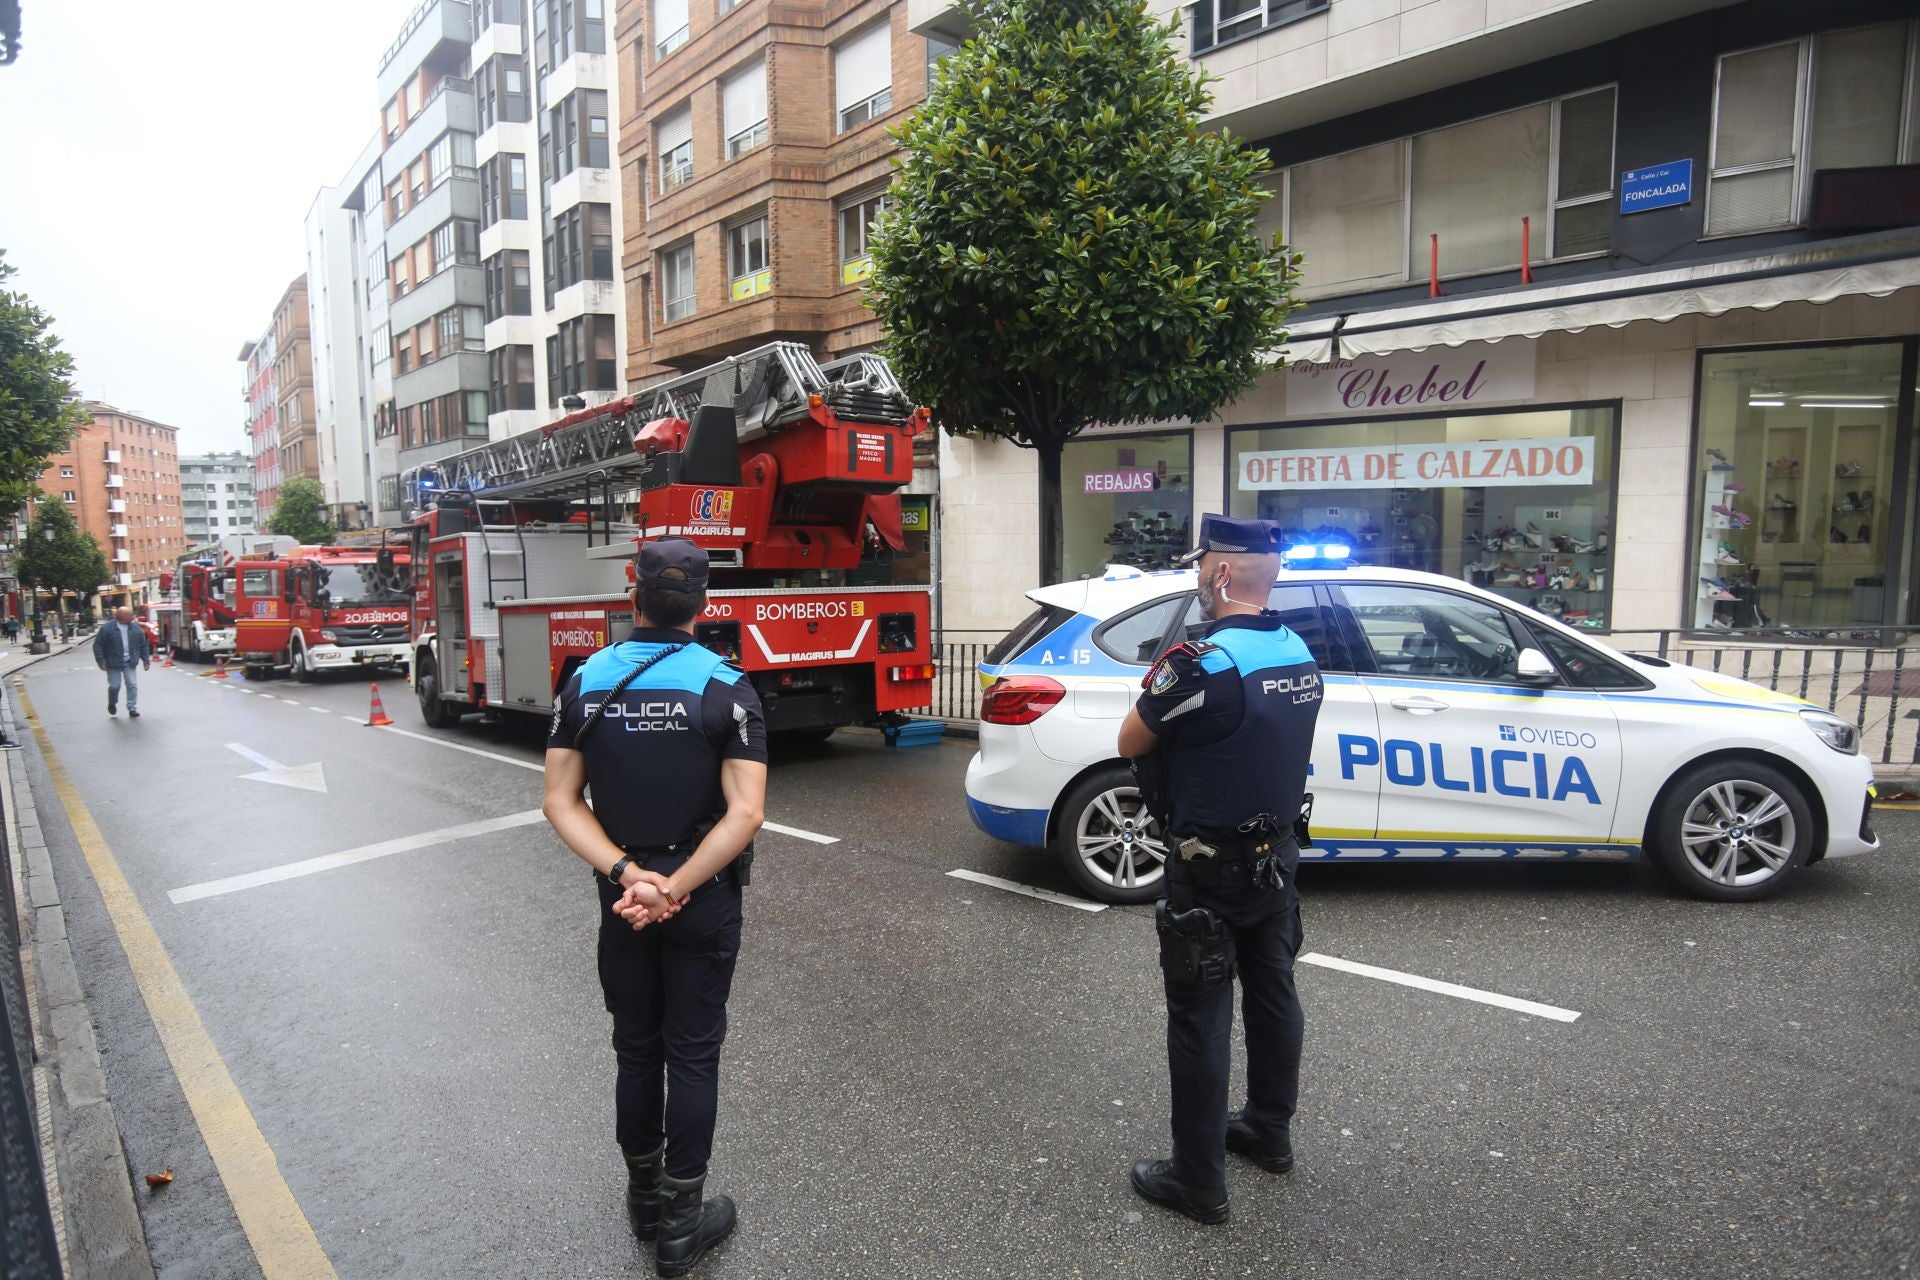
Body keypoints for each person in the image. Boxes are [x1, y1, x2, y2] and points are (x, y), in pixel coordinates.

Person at [542, 538, 767, 1278]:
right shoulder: (726, 686)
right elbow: (745, 814)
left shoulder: (586, 680)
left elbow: (559, 801)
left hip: (622, 898)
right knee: (692, 1054)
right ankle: (679, 1226)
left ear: (632, 596)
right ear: (704, 606)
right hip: (697, 898)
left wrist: (627, 874)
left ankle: (643, 1201)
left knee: (636, 1048)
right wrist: (674, 886)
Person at [1116, 514, 1324, 1224]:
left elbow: (1131, 735)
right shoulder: (1297, 649)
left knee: (1199, 1018)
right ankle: (1269, 1130)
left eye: (1202, 564)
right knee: (1273, 993)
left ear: (1221, 573)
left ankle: (1198, 1181)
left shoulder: (1205, 662)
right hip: (1277, 860)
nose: (1199, 576)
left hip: (1208, 869)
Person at [93, 606, 152, 719]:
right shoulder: (107, 628)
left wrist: (146, 660)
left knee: (132, 684)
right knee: (115, 686)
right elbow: (98, 645)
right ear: (122, 616)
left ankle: (132, 707)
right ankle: (112, 702)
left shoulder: (135, 629)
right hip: (113, 662)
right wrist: (101, 661)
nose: (132, 617)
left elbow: (142, 645)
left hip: (130, 661)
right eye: (130, 615)